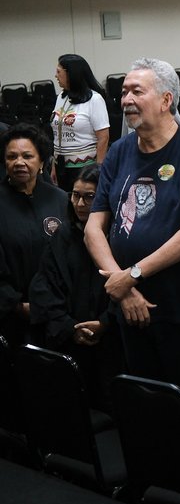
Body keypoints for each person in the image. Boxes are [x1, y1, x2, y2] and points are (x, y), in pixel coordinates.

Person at [85, 58, 180, 406]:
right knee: (145, 403)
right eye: (124, 91)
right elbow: (93, 228)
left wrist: (131, 276)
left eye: (137, 91)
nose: (126, 99)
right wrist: (121, 285)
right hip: (127, 304)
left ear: (165, 101)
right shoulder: (118, 152)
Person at [29, 164, 124, 412]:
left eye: (89, 196)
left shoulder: (121, 239)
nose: (80, 203)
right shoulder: (62, 236)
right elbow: (44, 288)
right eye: (75, 195)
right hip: (69, 342)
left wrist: (105, 323)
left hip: (112, 347)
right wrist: (69, 328)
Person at [0, 124, 68, 346]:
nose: (19, 162)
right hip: (13, 316)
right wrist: (17, 306)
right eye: (12, 157)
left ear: (41, 162)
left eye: (27, 156)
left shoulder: (61, 200)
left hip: (60, 314)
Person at [50, 53, 110, 191]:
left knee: (83, 206)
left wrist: (98, 169)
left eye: (58, 72)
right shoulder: (61, 97)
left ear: (71, 73)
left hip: (85, 167)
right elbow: (57, 134)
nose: (55, 76)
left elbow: (103, 138)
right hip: (61, 166)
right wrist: (54, 164)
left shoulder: (94, 99)